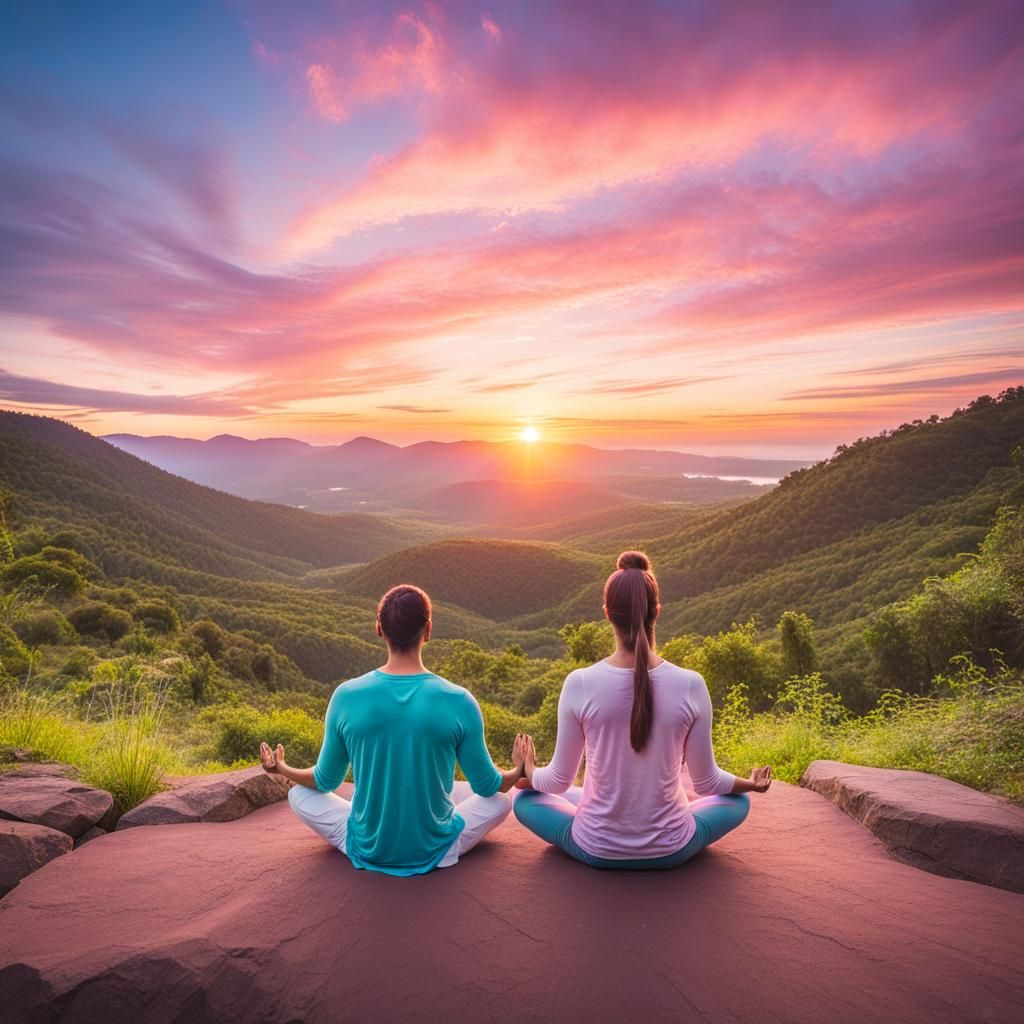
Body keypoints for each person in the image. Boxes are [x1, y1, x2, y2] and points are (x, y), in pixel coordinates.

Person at [513, 551, 772, 869]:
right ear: (657, 611)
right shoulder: (691, 684)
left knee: (525, 800)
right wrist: (750, 783)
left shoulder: (580, 683)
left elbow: (557, 783)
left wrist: (527, 770)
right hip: (672, 849)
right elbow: (707, 783)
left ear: (607, 613)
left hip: (596, 848)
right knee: (738, 801)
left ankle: (602, 807)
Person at [259, 584, 527, 876]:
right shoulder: (459, 700)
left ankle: (368, 816)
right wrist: (518, 770)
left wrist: (283, 769)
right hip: (437, 848)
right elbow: (488, 787)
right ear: (428, 630)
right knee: (502, 800)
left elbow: (324, 781)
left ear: (379, 629)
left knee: (299, 796)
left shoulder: (346, 696)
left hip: (366, 845)